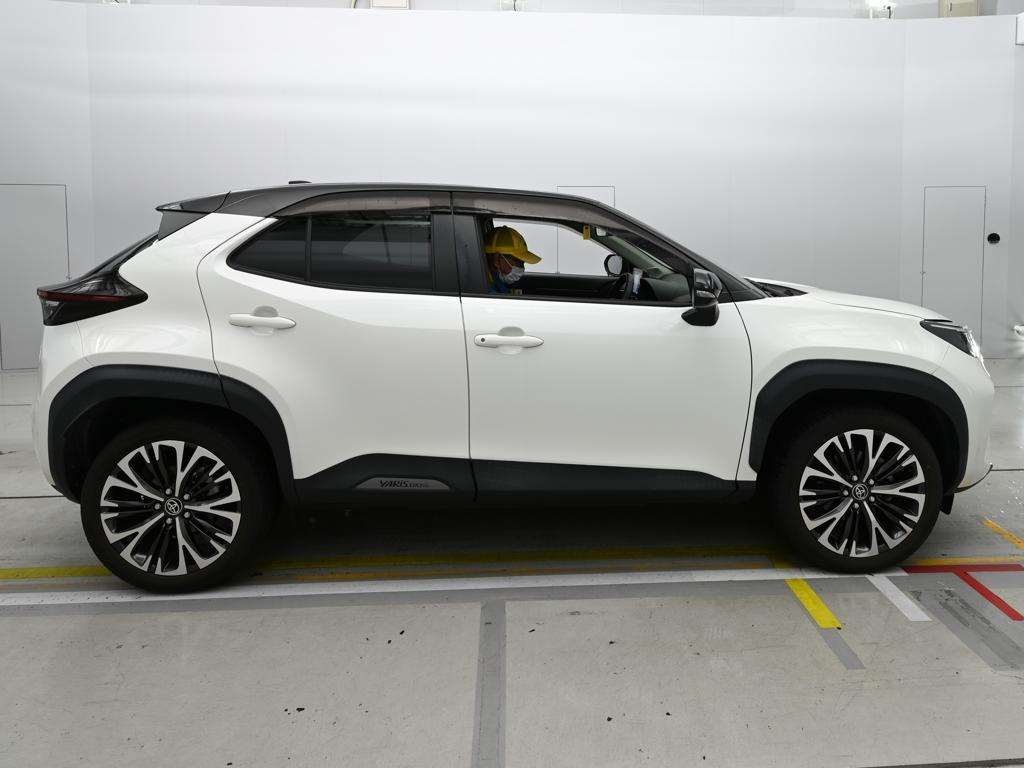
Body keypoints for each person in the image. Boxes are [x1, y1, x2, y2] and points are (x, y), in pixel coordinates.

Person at [484, 225, 542, 294]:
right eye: (518, 262)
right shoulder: (487, 291)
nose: (521, 268)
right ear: (497, 259)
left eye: (522, 263)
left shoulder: (495, 278)